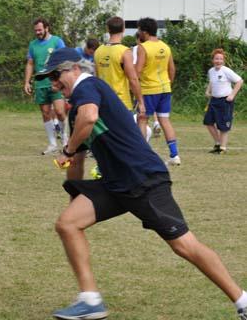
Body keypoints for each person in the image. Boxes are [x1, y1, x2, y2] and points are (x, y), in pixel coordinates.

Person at [42, 50, 247, 320]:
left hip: (143, 179)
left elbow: (89, 120)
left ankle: (243, 301)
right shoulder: (75, 114)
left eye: (56, 76)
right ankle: (90, 300)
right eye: (50, 79)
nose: (54, 84)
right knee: (67, 224)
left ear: (74, 70)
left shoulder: (87, 86)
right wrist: (74, 197)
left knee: (184, 246)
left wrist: (67, 150)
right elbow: (77, 161)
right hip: (116, 184)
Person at [135, 17, 181, 166]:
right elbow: (172, 69)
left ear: (144, 31)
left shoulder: (144, 47)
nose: (138, 33)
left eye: (139, 30)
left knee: (142, 119)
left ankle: (141, 155)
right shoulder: (165, 46)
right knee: (165, 120)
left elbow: (138, 70)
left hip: (149, 89)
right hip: (165, 88)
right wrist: (168, 84)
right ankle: (175, 155)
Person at [23, 17, 68, 154]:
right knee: (45, 113)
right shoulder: (33, 44)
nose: (37, 32)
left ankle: (66, 142)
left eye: (40, 30)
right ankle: (52, 144)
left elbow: (64, 60)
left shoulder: (57, 41)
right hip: (40, 83)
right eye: (36, 30)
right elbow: (30, 63)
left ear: (47, 28)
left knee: (60, 112)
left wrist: (61, 81)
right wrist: (27, 81)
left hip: (56, 82)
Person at [94, 16, 145, 114]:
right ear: (123, 29)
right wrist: (141, 101)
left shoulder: (98, 51)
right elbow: (133, 80)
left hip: (103, 101)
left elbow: (97, 77)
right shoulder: (125, 52)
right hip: (121, 102)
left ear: (108, 29)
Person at [204, 48, 243, 154]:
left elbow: (239, 81)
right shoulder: (211, 71)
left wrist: (232, 95)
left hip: (225, 101)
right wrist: (208, 91)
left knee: (223, 125)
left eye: (220, 59)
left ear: (223, 61)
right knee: (208, 122)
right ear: (213, 60)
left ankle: (223, 148)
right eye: (216, 59)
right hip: (214, 101)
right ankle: (218, 144)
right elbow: (212, 82)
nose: (218, 61)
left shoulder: (226, 70)